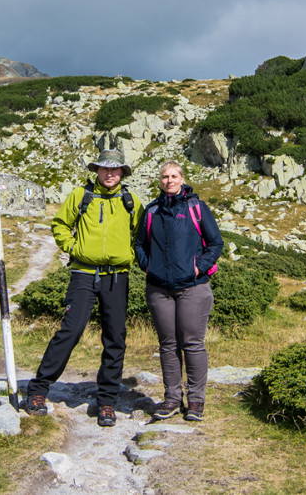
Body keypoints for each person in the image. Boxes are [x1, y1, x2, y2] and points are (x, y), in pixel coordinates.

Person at [25, 149, 141, 427]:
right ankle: (38, 390)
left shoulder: (131, 201)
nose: (110, 174)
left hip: (117, 277)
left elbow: (141, 235)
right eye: (105, 169)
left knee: (115, 337)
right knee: (71, 330)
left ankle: (107, 402)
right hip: (83, 275)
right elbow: (60, 224)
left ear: (122, 173)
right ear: (96, 170)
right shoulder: (80, 196)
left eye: (115, 170)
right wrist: (73, 248)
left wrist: (131, 255)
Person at [134, 160, 223, 422]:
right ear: (159, 181)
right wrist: (148, 267)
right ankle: (172, 398)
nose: (169, 181)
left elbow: (215, 243)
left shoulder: (196, 207)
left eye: (173, 176)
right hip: (159, 289)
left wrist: (199, 268)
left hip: (193, 288)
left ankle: (195, 400)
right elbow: (139, 245)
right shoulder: (151, 211)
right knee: (168, 345)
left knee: (192, 344)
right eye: (164, 177)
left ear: (182, 179)